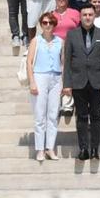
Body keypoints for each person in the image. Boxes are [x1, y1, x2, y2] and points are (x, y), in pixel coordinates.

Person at [61, 5, 100, 162]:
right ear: (80, 17)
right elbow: (68, 61)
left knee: (96, 117)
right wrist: (67, 84)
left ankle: (94, 149)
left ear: (94, 15)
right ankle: (83, 148)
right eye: (84, 15)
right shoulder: (71, 35)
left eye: (90, 14)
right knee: (82, 117)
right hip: (78, 82)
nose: (88, 17)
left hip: (98, 82)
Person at [27, 11, 64, 162]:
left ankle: (50, 147)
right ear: (41, 25)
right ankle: (40, 149)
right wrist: (32, 82)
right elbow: (29, 62)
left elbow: (62, 63)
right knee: (40, 115)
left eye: (50, 23)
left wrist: (63, 82)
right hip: (40, 76)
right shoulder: (36, 40)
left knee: (53, 115)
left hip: (55, 77)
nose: (47, 25)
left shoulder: (60, 41)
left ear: (54, 25)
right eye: (44, 23)